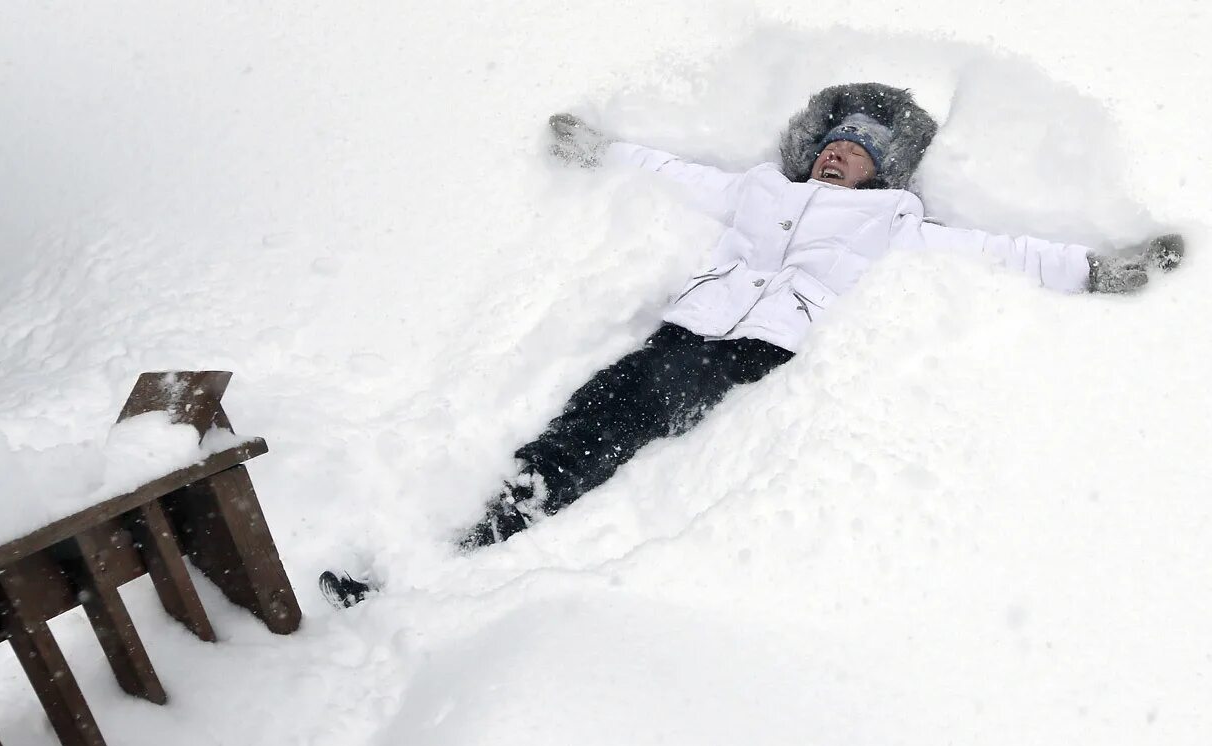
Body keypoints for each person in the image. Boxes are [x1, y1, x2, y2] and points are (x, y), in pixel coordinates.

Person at [320, 83, 1184, 608]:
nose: (838, 157)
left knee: (632, 417)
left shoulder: (890, 221)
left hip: (752, 351)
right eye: (832, 146)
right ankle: (492, 523)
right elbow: (668, 171)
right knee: (599, 405)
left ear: (879, 171)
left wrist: (1095, 272)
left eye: (855, 152)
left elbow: (998, 249)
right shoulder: (754, 191)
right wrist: (601, 150)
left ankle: (504, 526)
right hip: (688, 325)